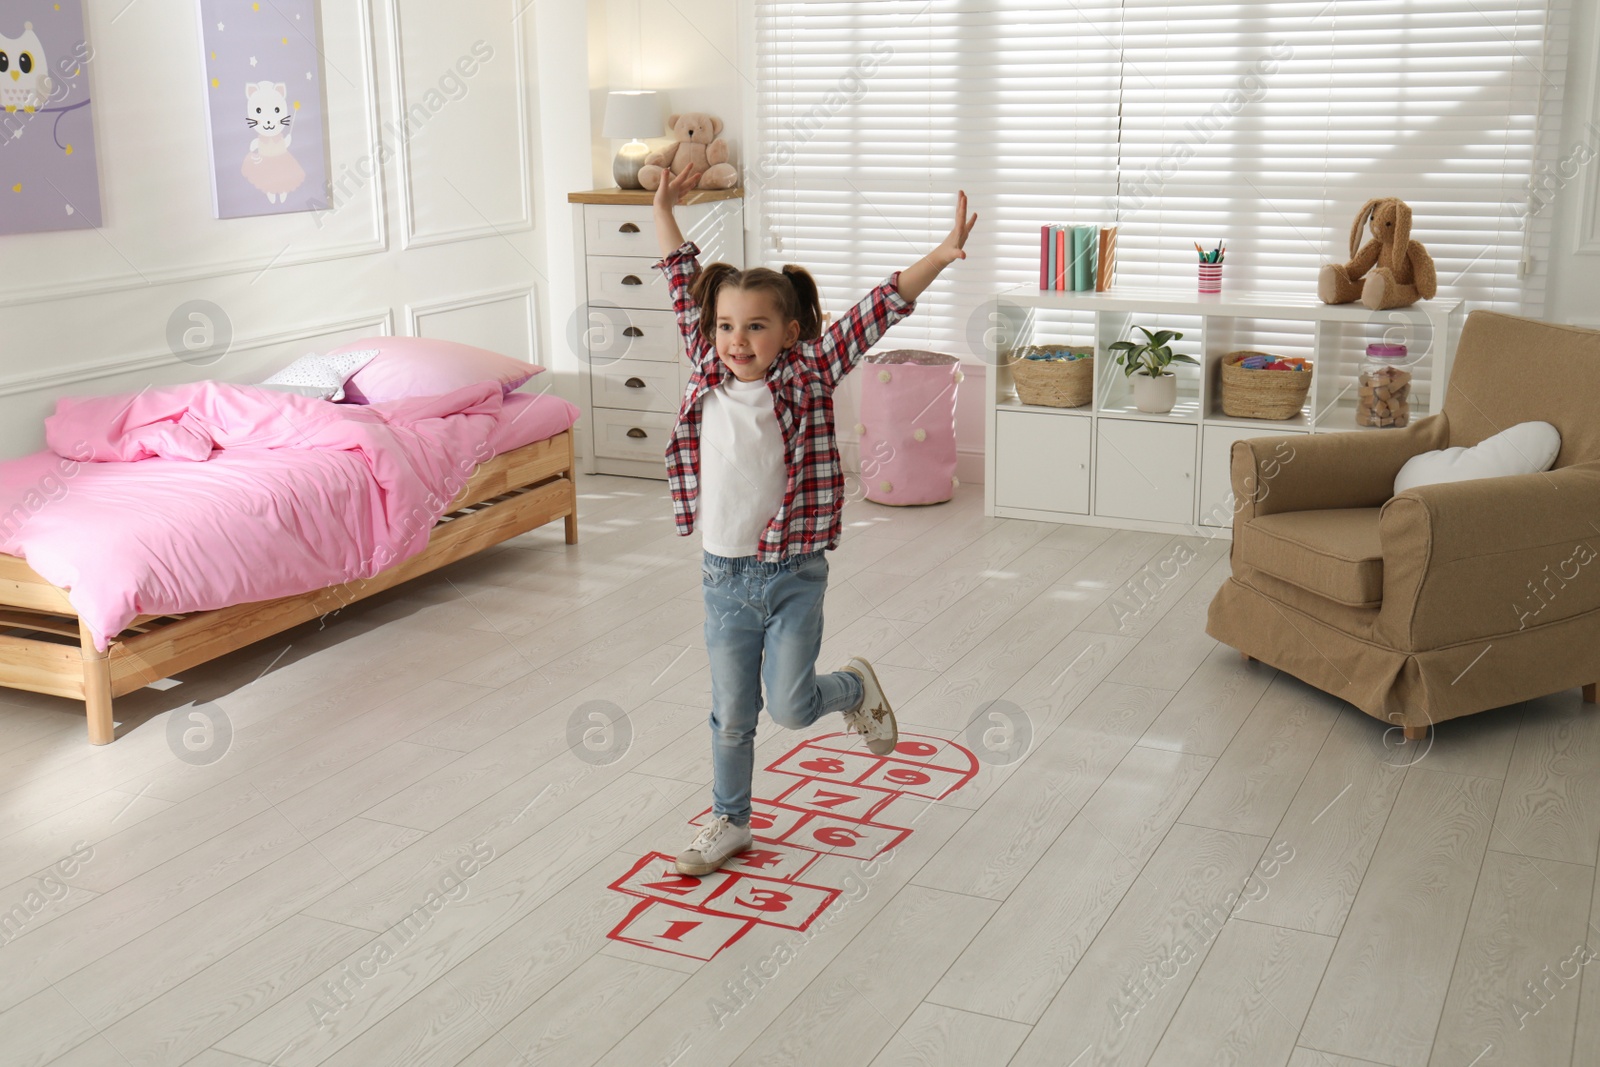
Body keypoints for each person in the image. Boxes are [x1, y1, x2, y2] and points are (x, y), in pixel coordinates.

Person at [652, 166, 977, 876]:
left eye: (757, 326)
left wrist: (941, 255)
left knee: (793, 708)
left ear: (791, 331)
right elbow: (682, 277)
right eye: (727, 326)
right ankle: (730, 820)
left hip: (794, 573)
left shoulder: (807, 372)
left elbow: (876, 309)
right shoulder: (707, 365)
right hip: (723, 576)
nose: (738, 340)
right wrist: (664, 209)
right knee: (733, 714)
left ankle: (854, 688)